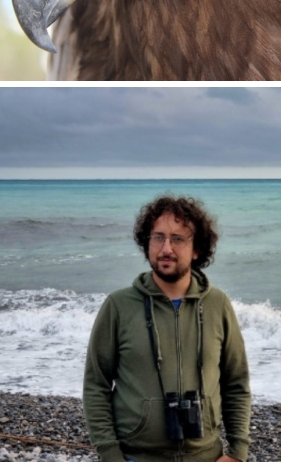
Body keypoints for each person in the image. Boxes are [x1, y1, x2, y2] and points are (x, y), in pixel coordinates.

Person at [83, 196, 251, 461]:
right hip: (136, 457)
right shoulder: (118, 306)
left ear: (196, 249)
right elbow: (96, 384)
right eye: (158, 237)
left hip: (207, 457)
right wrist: (111, 455)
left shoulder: (218, 304)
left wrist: (238, 452)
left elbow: (236, 383)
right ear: (146, 244)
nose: (166, 248)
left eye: (178, 239)